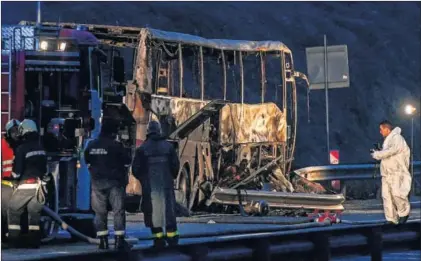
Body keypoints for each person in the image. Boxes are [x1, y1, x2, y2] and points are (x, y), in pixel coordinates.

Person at [84, 118, 131, 250]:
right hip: (114, 183)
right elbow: (127, 161)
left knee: (100, 212)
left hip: (97, 183)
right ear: (113, 132)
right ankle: (119, 241)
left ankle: (103, 242)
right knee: (118, 211)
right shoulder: (116, 146)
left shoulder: (92, 145)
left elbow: (86, 159)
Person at [132, 120, 180, 248]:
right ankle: (172, 238)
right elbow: (175, 165)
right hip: (166, 185)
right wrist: (171, 177)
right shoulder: (168, 147)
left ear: (148, 132)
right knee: (169, 211)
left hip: (150, 187)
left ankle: (158, 240)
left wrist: (144, 180)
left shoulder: (142, 149)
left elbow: (135, 169)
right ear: (159, 131)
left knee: (153, 212)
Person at [7, 119, 47, 248]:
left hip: (26, 185)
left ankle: (14, 240)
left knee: (13, 209)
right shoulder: (40, 147)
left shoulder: (22, 148)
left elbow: (17, 173)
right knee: (33, 214)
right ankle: (34, 241)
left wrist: (11, 178)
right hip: (40, 187)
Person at [371, 120, 411, 225]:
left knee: (397, 194)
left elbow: (392, 151)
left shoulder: (397, 138)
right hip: (387, 174)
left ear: (387, 129)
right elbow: (388, 153)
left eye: (381, 129)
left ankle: (403, 213)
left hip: (397, 172)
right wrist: (379, 151)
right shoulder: (387, 141)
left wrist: (378, 154)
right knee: (386, 196)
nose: (380, 132)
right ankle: (391, 219)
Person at [1, 119, 21, 244]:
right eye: (13, 132)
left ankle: (15, 237)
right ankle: (3, 236)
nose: (16, 134)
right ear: (8, 133)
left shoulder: (21, 146)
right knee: (4, 212)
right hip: (5, 185)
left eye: (17, 131)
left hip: (18, 184)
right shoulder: (2, 145)